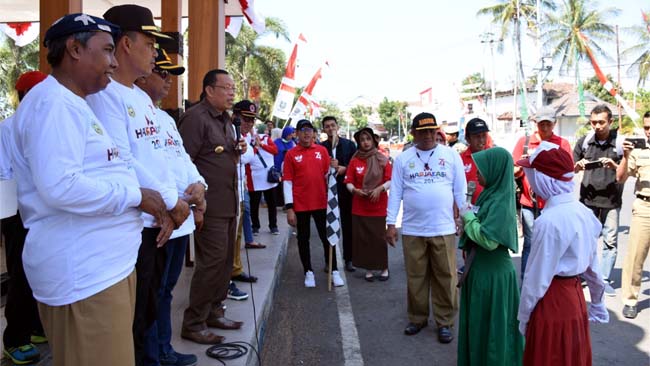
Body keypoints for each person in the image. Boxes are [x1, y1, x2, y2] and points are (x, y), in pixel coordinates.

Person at [4, 13, 172, 366]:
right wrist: (136, 195)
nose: (114, 62)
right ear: (74, 49)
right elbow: (60, 187)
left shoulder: (73, 102)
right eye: (107, 50)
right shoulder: (53, 105)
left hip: (104, 269)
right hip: (85, 275)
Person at [86, 6, 189, 364]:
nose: (155, 53)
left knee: (146, 309)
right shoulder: (105, 96)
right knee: (131, 321)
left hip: (156, 219)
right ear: (126, 44)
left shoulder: (141, 99)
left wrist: (177, 202)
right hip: (135, 224)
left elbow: (159, 157)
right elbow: (123, 162)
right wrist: (173, 204)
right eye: (149, 43)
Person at [135, 48, 202, 366]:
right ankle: (152, 355)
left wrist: (200, 184)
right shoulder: (129, 107)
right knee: (151, 293)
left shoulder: (164, 118)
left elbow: (182, 159)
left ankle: (163, 348)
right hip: (157, 220)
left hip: (181, 218)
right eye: (161, 73)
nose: (167, 81)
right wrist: (170, 204)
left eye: (170, 76)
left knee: (165, 291)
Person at [517, 141, 608, 366]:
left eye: (533, 174)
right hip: (574, 299)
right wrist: (596, 302)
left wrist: (524, 317)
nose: (530, 180)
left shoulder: (548, 221)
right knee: (571, 356)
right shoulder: (585, 213)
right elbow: (593, 269)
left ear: (544, 179)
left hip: (551, 302)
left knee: (549, 356)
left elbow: (536, 280)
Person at [178, 69, 247, 344]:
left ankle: (215, 311)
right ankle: (193, 323)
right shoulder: (196, 119)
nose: (232, 93)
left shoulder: (227, 120)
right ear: (209, 90)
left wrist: (237, 148)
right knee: (210, 264)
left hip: (228, 204)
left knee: (224, 263)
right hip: (209, 207)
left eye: (233, 88)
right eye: (226, 88)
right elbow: (183, 164)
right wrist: (195, 207)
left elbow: (219, 155)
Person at [386, 112, 466, 343]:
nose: (428, 135)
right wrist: (391, 223)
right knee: (416, 277)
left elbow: (460, 192)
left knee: (446, 276)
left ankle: (445, 322)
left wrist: (465, 219)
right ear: (413, 133)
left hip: (443, 228)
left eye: (432, 130)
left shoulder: (451, 156)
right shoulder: (403, 159)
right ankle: (418, 318)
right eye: (423, 131)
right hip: (413, 229)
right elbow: (396, 193)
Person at [457, 147, 524, 366]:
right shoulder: (489, 195)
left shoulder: (500, 203)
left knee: (493, 331)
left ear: (495, 171)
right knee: (480, 327)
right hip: (480, 270)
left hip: (493, 275)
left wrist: (468, 219)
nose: (476, 174)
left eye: (482, 169)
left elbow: (488, 240)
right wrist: (466, 224)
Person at [0, 71, 47, 364]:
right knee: (20, 272)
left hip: (45, 210)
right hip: (18, 210)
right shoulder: (8, 127)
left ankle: (36, 325)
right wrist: (8, 218)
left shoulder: (50, 125)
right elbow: (3, 172)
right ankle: (15, 338)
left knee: (42, 269)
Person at [283, 119, 345, 288]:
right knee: (303, 239)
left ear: (314, 133)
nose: (306, 133)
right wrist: (290, 208)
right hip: (300, 204)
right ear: (297, 133)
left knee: (327, 238)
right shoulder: (291, 154)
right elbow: (287, 182)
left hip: (321, 202)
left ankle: (334, 271)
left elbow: (329, 176)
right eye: (302, 130)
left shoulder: (323, 151)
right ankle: (308, 272)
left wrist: (335, 167)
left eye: (309, 129)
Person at [512, 106, 571, 280]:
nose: (544, 128)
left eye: (548, 124)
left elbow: (567, 172)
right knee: (530, 242)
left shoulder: (562, 144)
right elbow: (514, 168)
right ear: (535, 123)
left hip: (554, 202)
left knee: (554, 241)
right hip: (529, 203)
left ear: (554, 123)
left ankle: (550, 279)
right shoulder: (524, 142)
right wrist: (525, 168)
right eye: (541, 124)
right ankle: (527, 279)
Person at [573, 104, 624, 296]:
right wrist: (578, 166)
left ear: (610, 122)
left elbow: (626, 173)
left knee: (610, 242)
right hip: (588, 199)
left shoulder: (620, 143)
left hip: (611, 201)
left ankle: (603, 280)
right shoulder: (584, 142)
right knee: (586, 239)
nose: (597, 126)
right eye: (593, 122)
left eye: (601, 122)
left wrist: (614, 165)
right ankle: (583, 274)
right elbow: (571, 168)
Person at [344, 128, 392, 281]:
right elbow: (348, 181)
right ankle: (369, 269)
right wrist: (355, 191)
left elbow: (390, 180)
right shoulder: (355, 160)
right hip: (360, 206)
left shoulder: (382, 159)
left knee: (379, 238)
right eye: (362, 140)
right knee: (363, 239)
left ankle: (384, 267)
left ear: (373, 141)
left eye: (368, 139)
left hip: (378, 206)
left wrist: (380, 189)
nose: (365, 142)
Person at [616, 111, 650, 319]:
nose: (648, 131)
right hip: (644, 208)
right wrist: (626, 156)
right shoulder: (638, 152)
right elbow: (620, 178)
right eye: (646, 127)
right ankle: (630, 299)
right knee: (635, 257)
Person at [235, 100, 280, 236]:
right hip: (253, 179)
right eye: (246, 119)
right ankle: (254, 229)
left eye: (252, 120)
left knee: (269, 204)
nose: (249, 123)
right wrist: (254, 147)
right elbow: (245, 158)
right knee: (251, 207)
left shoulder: (261, 138)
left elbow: (274, 150)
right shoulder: (240, 135)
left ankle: (272, 226)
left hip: (267, 177)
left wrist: (260, 145)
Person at [321, 116, 357, 272]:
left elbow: (356, 165)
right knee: (329, 226)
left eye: (333, 125)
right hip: (327, 193)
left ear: (338, 127)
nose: (330, 129)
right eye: (327, 126)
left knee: (348, 226)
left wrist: (344, 169)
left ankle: (349, 258)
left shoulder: (349, 145)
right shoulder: (320, 147)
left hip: (346, 191)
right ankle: (330, 261)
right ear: (323, 129)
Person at [461, 118, 493, 204]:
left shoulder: (494, 156)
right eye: (477, 136)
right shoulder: (460, 159)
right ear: (467, 138)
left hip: (491, 209)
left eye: (484, 135)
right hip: (469, 211)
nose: (481, 140)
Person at [273, 125, 296, 207]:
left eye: (291, 134)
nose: (290, 136)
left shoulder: (292, 143)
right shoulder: (276, 142)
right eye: (289, 134)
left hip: (287, 167)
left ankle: (286, 204)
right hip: (277, 166)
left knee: (286, 185)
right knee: (277, 185)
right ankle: (277, 203)